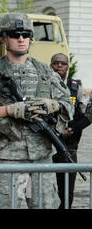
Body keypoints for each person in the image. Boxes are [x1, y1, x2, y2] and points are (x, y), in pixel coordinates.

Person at [0, 12, 74, 209]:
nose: (20, 39)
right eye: (14, 34)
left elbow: (69, 105)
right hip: (6, 158)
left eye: (25, 34)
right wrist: (10, 110)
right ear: (3, 38)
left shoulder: (46, 72)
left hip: (40, 157)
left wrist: (53, 105)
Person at [50, 53, 91, 209]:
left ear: (68, 67)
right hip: (45, 142)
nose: (59, 66)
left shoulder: (75, 87)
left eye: (63, 63)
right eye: (55, 63)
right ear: (50, 65)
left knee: (66, 190)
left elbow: (87, 114)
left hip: (68, 145)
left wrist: (73, 129)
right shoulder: (43, 86)